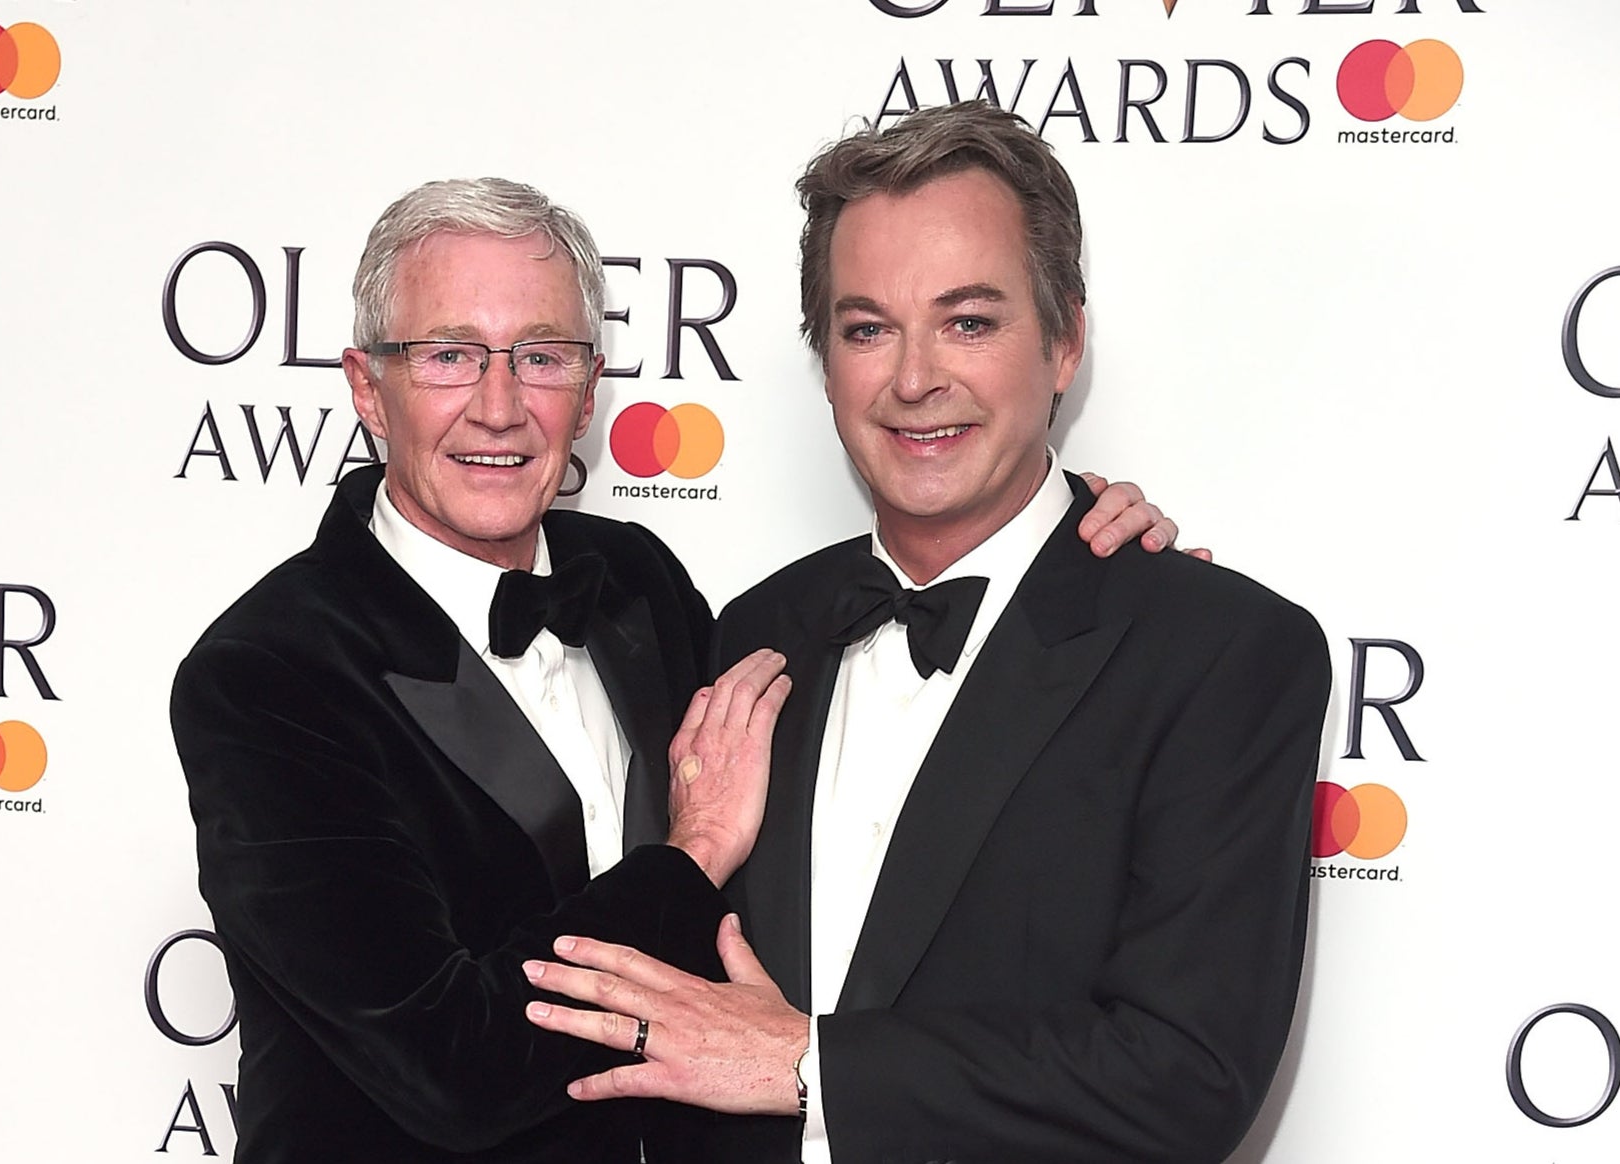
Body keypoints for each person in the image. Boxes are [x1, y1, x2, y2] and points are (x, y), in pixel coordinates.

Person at [170, 175, 1183, 1163]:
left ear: (589, 388)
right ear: (367, 389)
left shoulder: (636, 584)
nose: (498, 405)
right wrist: (688, 858)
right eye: (447, 356)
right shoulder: (268, 675)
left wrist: (1060, 541)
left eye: (541, 356)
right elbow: (449, 1068)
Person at [524, 102, 1333, 1164]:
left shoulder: (1219, 652)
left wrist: (808, 1067)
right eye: (868, 329)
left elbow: (1184, 1078)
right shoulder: (753, 631)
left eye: (970, 321)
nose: (914, 380)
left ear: (1064, 340)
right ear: (826, 362)